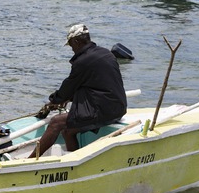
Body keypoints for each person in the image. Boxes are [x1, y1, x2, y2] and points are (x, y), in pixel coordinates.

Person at [28, 24, 127, 158]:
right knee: (68, 132)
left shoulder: (83, 61)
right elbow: (95, 85)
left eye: (71, 45)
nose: (72, 49)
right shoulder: (105, 53)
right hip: (118, 108)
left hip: (104, 111)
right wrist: (67, 98)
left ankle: (31, 159)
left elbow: (68, 87)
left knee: (56, 122)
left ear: (76, 41)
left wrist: (55, 100)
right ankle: (73, 159)